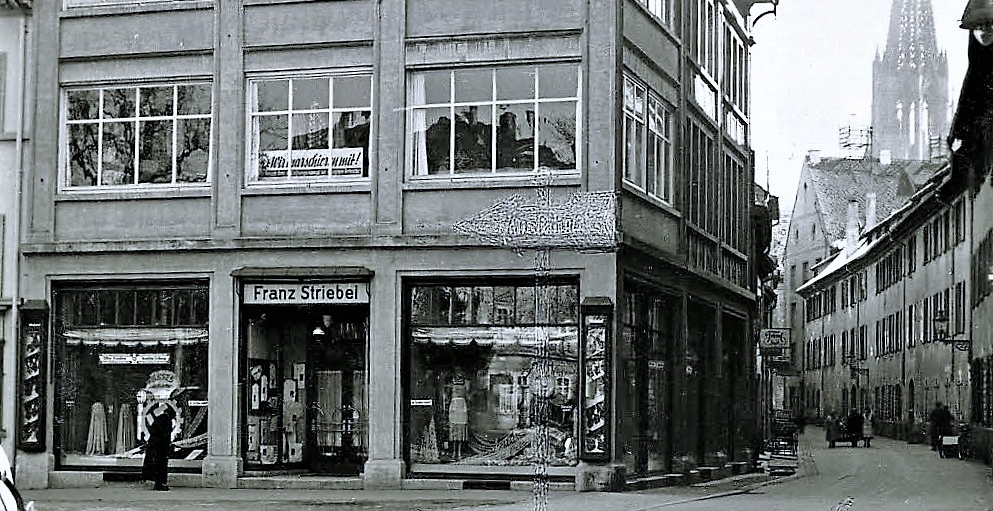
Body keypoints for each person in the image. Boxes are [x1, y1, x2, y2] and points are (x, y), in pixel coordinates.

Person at [142, 403, 176, 491]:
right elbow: (165, 435)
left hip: (154, 445)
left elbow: (153, 430)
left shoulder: (159, 419)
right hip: (161, 446)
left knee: (156, 464)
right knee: (162, 465)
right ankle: (161, 484)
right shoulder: (167, 420)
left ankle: (157, 483)